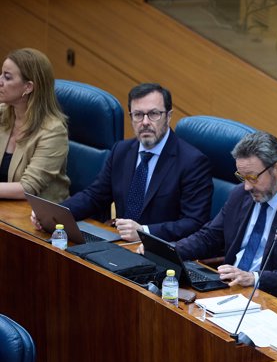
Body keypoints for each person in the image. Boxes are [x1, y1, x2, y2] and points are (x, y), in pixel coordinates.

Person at [33, 83, 213, 242]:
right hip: (119, 243)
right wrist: (53, 214)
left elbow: (194, 223)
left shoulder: (192, 162)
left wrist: (144, 232)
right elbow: (95, 196)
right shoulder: (122, 151)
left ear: (168, 116)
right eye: (138, 115)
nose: (145, 122)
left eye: (153, 114)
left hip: (161, 251)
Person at [172, 131, 277, 300]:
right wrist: (170, 250)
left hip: (268, 298)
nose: (247, 186)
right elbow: (208, 237)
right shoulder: (240, 194)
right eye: (242, 177)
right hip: (228, 288)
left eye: (252, 177)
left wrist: (254, 278)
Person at [0, 48, 70, 201]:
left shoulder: (53, 131)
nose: (0, 81)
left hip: (38, 218)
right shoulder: (2, 113)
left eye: (7, 77)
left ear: (28, 87)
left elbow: (28, 187)